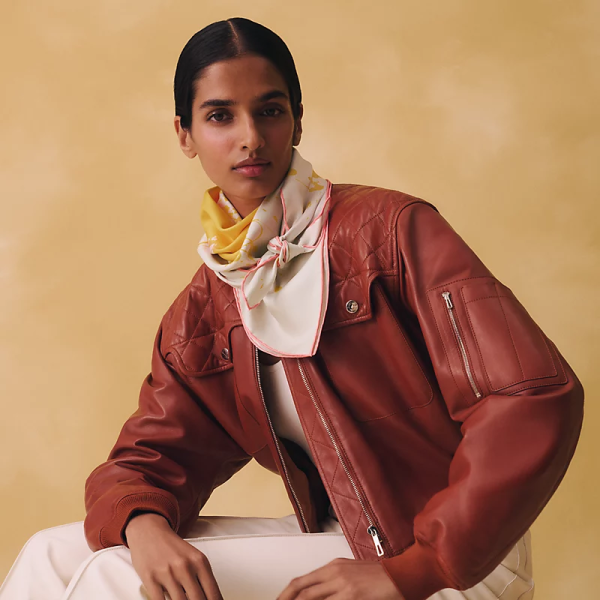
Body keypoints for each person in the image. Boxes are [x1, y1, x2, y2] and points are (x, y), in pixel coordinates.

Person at [0, 16, 584, 600]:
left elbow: (530, 396)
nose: (250, 137)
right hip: (343, 537)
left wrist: (418, 567)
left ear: (297, 119)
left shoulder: (390, 231)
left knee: (113, 578)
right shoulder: (207, 309)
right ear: (185, 134)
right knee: (52, 554)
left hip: (455, 558)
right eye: (220, 116)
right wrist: (142, 525)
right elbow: (145, 461)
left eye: (270, 110)